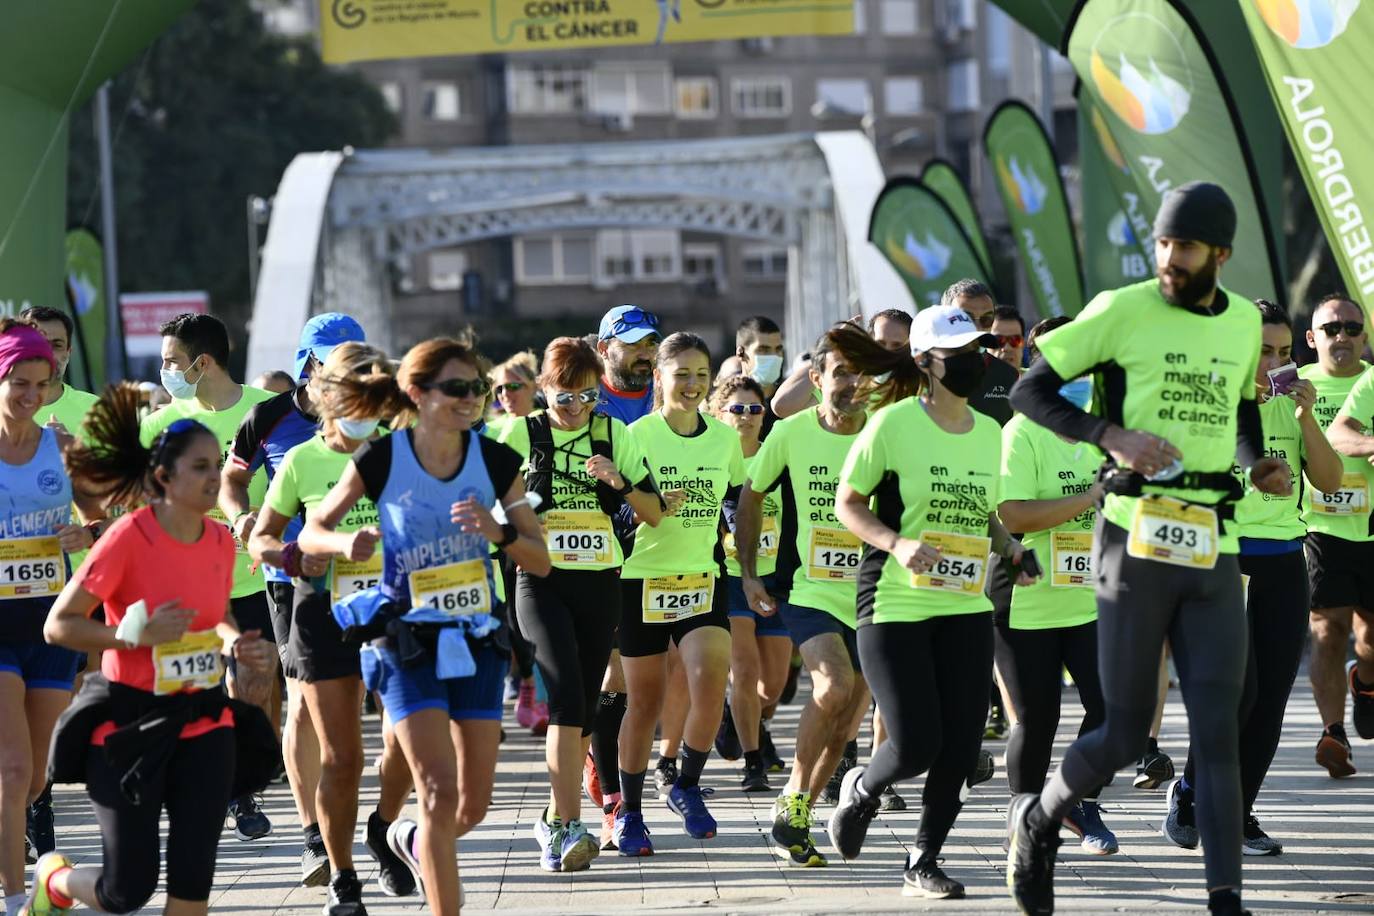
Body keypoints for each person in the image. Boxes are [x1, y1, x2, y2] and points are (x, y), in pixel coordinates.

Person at [1004, 181, 1290, 916]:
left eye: (1185, 246)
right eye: (1162, 242)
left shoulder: (1238, 328)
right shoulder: (1120, 309)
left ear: (1220, 254)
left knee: (1219, 731)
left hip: (1213, 544)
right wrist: (1110, 435)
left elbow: (1242, 405)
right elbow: (1030, 393)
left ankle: (1226, 900)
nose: (1169, 257)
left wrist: (1255, 458)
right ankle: (1039, 820)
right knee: (1126, 729)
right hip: (1133, 536)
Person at [299, 337, 549, 916]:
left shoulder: (494, 461)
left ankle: (406, 838)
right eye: (457, 389)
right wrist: (344, 541)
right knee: (436, 791)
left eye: (479, 389)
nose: (471, 400)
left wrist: (499, 532)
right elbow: (311, 532)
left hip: (478, 641)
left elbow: (540, 558)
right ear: (417, 393)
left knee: (471, 808)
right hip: (404, 643)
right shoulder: (384, 458)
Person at [29, 383, 275, 916]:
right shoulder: (127, 538)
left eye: (217, 466)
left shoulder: (217, 540)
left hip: (205, 721)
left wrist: (238, 643)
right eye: (201, 467)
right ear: (164, 477)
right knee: (127, 890)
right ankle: (54, 881)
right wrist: (132, 636)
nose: (216, 478)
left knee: (192, 890)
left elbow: (216, 614)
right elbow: (60, 625)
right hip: (130, 722)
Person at [822, 307, 1034, 900]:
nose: (975, 361)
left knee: (963, 748)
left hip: (965, 604)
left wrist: (1013, 550)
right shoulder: (890, 425)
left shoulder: (991, 431)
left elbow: (984, 516)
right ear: (925, 362)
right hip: (893, 603)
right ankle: (862, 789)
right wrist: (897, 542)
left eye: (979, 349)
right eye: (960, 353)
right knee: (916, 742)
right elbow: (848, 503)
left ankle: (923, 860)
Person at [1163, 298, 1341, 856]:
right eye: (1262, 351)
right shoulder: (1209, 403)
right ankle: (1191, 792)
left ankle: (1238, 813)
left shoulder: (1294, 403)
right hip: (1223, 558)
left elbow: (1331, 480)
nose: (1275, 363)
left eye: (1285, 352)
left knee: (1271, 701)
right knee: (1239, 691)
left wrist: (1308, 417)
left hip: (1284, 558)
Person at [248, 341, 410, 912]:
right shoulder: (301, 460)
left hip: (397, 609)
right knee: (345, 758)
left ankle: (383, 827)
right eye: (352, 391)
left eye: (375, 393)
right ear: (324, 394)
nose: (364, 404)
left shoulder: (401, 452)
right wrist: (294, 556)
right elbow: (260, 539)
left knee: (405, 744)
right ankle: (343, 876)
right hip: (324, 612)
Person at [496, 336, 663, 871]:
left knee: (585, 706)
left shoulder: (615, 434)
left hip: (601, 579)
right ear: (543, 391)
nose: (577, 410)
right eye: (566, 399)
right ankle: (567, 829)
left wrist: (619, 480)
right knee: (566, 700)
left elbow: (654, 511)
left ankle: (552, 815)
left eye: (588, 398)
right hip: (540, 580)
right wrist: (522, 508)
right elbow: (487, 509)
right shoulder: (519, 433)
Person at [225, 311, 365, 885]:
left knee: (353, 707)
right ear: (309, 364)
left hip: (370, 577)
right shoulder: (269, 417)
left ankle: (366, 824)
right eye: (332, 362)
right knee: (304, 701)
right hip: (293, 581)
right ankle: (313, 834)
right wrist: (242, 517)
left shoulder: (377, 420)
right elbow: (234, 480)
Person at [737, 325, 871, 869]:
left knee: (849, 715)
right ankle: (794, 789)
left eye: (862, 373)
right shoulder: (790, 433)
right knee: (834, 684)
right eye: (841, 372)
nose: (853, 383)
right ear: (816, 380)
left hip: (875, 591)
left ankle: (798, 812)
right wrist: (749, 574)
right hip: (809, 585)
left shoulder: (885, 430)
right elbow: (752, 497)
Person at [141, 312, 276, 841]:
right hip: (188, 581)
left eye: (172, 361)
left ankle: (239, 783)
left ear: (203, 362)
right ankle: (225, 785)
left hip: (254, 577)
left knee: (253, 682)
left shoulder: (268, 412)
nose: (164, 370)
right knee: (198, 686)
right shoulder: (158, 424)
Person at [613, 332, 744, 855]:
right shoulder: (635, 435)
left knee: (712, 675)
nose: (692, 385)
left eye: (700, 375)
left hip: (701, 579)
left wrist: (737, 537)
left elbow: (734, 498)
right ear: (659, 377)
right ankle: (630, 811)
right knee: (643, 702)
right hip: (640, 580)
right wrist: (649, 505)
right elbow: (615, 512)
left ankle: (685, 784)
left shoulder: (724, 439)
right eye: (681, 374)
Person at [996, 316, 1118, 856]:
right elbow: (1014, 514)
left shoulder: (1101, 430)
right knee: (1038, 718)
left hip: (1091, 597)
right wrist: (1090, 498)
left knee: (1113, 709)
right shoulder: (1020, 431)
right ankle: (1024, 818)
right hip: (1027, 599)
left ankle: (1074, 800)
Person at [0, 322, 104, 916]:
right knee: (13, 771)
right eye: (19, 382)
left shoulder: (61, 447)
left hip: (47, 623)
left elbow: (105, 520)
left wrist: (81, 531)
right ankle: (17, 899)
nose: (31, 395)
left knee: (34, 780)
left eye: (41, 384)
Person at [1295, 293, 1374, 778]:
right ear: (1312, 337)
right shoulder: (1297, 385)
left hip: (1372, 527)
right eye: (1330, 328)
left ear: (1364, 336)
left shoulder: (1370, 382)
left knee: (1370, 639)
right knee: (1327, 631)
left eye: (1350, 327)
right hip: (1319, 526)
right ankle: (1333, 732)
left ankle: (1364, 684)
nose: (1341, 336)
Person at [713, 376, 789, 792]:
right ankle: (753, 761)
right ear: (720, 414)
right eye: (736, 409)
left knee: (772, 684)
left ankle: (735, 715)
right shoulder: (713, 458)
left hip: (776, 579)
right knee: (743, 670)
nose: (745, 417)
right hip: (729, 579)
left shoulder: (777, 458)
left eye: (754, 409)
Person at [486, 350, 548, 733]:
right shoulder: (496, 431)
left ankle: (542, 693)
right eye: (498, 389)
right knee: (515, 619)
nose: (506, 394)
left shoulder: (550, 424)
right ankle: (528, 684)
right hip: (505, 538)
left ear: (534, 386)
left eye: (514, 386)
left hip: (551, 536)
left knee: (544, 615)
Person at [941, 280, 1019, 425]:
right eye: (966, 318)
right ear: (945, 318)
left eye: (986, 319)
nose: (977, 327)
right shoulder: (923, 370)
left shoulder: (1008, 376)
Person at [596, 305, 661, 425]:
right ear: (603, 349)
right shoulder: (583, 401)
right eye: (632, 344)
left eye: (650, 343)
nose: (645, 356)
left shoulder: (669, 395)